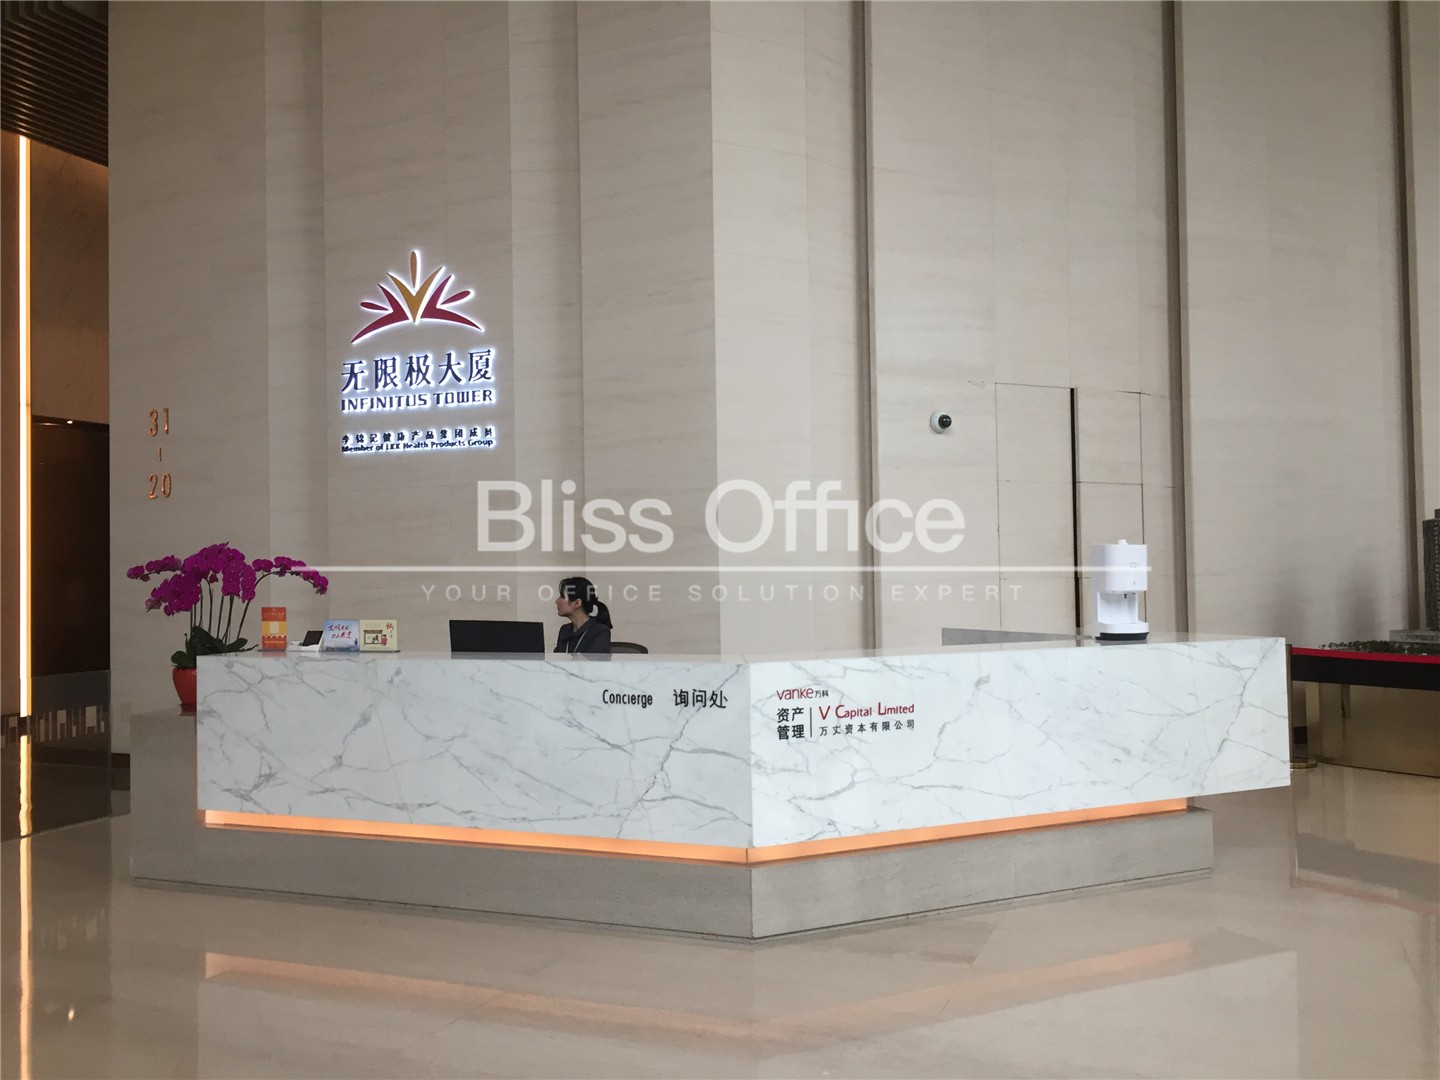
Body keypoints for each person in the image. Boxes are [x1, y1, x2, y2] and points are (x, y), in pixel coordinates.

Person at [553, 576, 613, 655]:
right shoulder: (565, 630)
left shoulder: (600, 631)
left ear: (577, 603)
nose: (557, 601)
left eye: (562, 597)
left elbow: (594, 661)